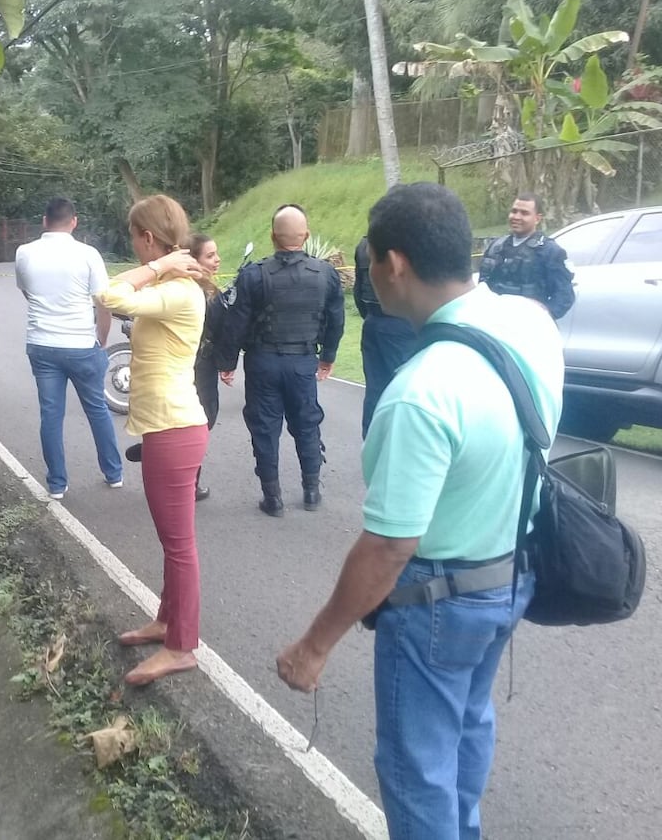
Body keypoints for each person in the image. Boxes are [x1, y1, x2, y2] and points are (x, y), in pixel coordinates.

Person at [275, 183, 564, 840]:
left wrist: (314, 646)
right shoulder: (531, 322)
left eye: (372, 260)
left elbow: (388, 548)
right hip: (512, 574)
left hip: (439, 600)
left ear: (392, 265)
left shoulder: (421, 393)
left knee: (415, 770)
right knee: (466, 726)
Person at [97, 195, 208, 686]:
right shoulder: (171, 285)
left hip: (174, 428)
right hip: (169, 426)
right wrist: (160, 266)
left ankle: (182, 646)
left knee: (179, 544)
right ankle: (166, 622)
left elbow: (110, 295)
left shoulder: (178, 290)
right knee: (172, 541)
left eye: (134, 238)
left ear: (146, 238)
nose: (134, 247)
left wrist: (160, 263)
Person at [213, 205, 345, 517]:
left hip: (262, 362)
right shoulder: (326, 274)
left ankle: (272, 498)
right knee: (307, 423)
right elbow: (335, 319)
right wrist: (327, 357)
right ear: (307, 236)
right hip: (302, 362)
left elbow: (236, 323)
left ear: (273, 236)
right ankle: (311, 491)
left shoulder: (254, 274)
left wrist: (227, 362)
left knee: (265, 427)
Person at [14, 197, 123, 500]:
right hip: (80, 344)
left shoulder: (25, 252)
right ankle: (113, 473)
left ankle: (57, 484)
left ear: (44, 221)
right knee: (97, 410)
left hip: (42, 344)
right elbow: (104, 304)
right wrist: (101, 339)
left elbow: (27, 293)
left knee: (51, 414)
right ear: (74, 221)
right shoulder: (88, 254)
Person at [354, 236, 416, 438]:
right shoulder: (403, 244)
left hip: (372, 320)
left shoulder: (365, 245)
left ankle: (372, 445)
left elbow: (358, 289)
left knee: (374, 391)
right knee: (405, 391)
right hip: (400, 323)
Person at [479, 193, 575, 320]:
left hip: (528, 327)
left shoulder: (550, 252)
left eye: (524, 213)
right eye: (514, 211)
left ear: (537, 218)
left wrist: (544, 315)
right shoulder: (495, 247)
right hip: (493, 323)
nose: (516, 217)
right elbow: (482, 286)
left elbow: (564, 296)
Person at [190, 233, 222, 501]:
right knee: (200, 422)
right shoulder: (200, 292)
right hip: (198, 366)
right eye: (210, 255)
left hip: (203, 364)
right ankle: (190, 483)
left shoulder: (207, 289)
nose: (217, 260)